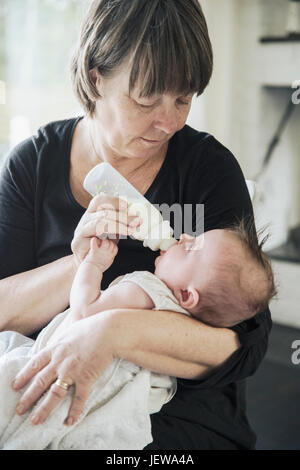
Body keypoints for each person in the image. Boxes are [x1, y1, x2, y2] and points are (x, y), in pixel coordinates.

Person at [0, 0, 273, 449]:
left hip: (177, 409)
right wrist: (80, 264)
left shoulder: (207, 169)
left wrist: (113, 332)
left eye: (184, 99)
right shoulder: (32, 165)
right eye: (146, 99)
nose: (169, 121)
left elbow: (246, 345)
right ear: (96, 78)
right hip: (42, 379)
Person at [0, 222, 275, 449]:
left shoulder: (144, 289)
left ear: (187, 295)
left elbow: (84, 314)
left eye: (191, 247)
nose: (184, 237)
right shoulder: (180, 319)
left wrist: (92, 265)